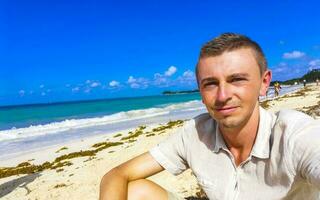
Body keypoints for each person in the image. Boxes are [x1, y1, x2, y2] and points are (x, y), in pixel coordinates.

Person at [100, 33, 320, 200]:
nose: (223, 96)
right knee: (133, 191)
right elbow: (117, 174)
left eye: (237, 79)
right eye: (211, 83)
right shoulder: (195, 134)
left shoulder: (293, 134)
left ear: (264, 83)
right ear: (201, 92)